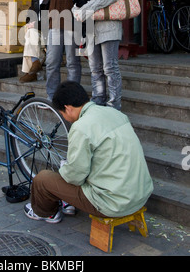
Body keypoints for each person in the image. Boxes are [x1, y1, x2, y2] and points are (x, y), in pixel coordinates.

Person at [24, 81, 153, 224]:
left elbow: (75, 176)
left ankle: (46, 213)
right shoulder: (115, 113)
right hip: (140, 195)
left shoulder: (81, 127)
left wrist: (65, 170)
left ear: (68, 108)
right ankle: (68, 202)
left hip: (113, 204)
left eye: (61, 113)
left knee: (42, 179)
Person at [72, 0, 123, 110]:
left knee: (110, 68)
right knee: (95, 68)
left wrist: (85, 8)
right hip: (93, 27)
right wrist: (76, 8)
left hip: (109, 26)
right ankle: (98, 100)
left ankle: (114, 105)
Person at [19, 0, 49, 83]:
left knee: (31, 33)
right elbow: (28, 16)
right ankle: (34, 65)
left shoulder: (49, 0)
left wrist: (35, 24)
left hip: (48, 34)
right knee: (30, 31)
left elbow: (50, 21)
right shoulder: (35, 0)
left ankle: (31, 70)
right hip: (38, 36)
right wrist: (30, 23)